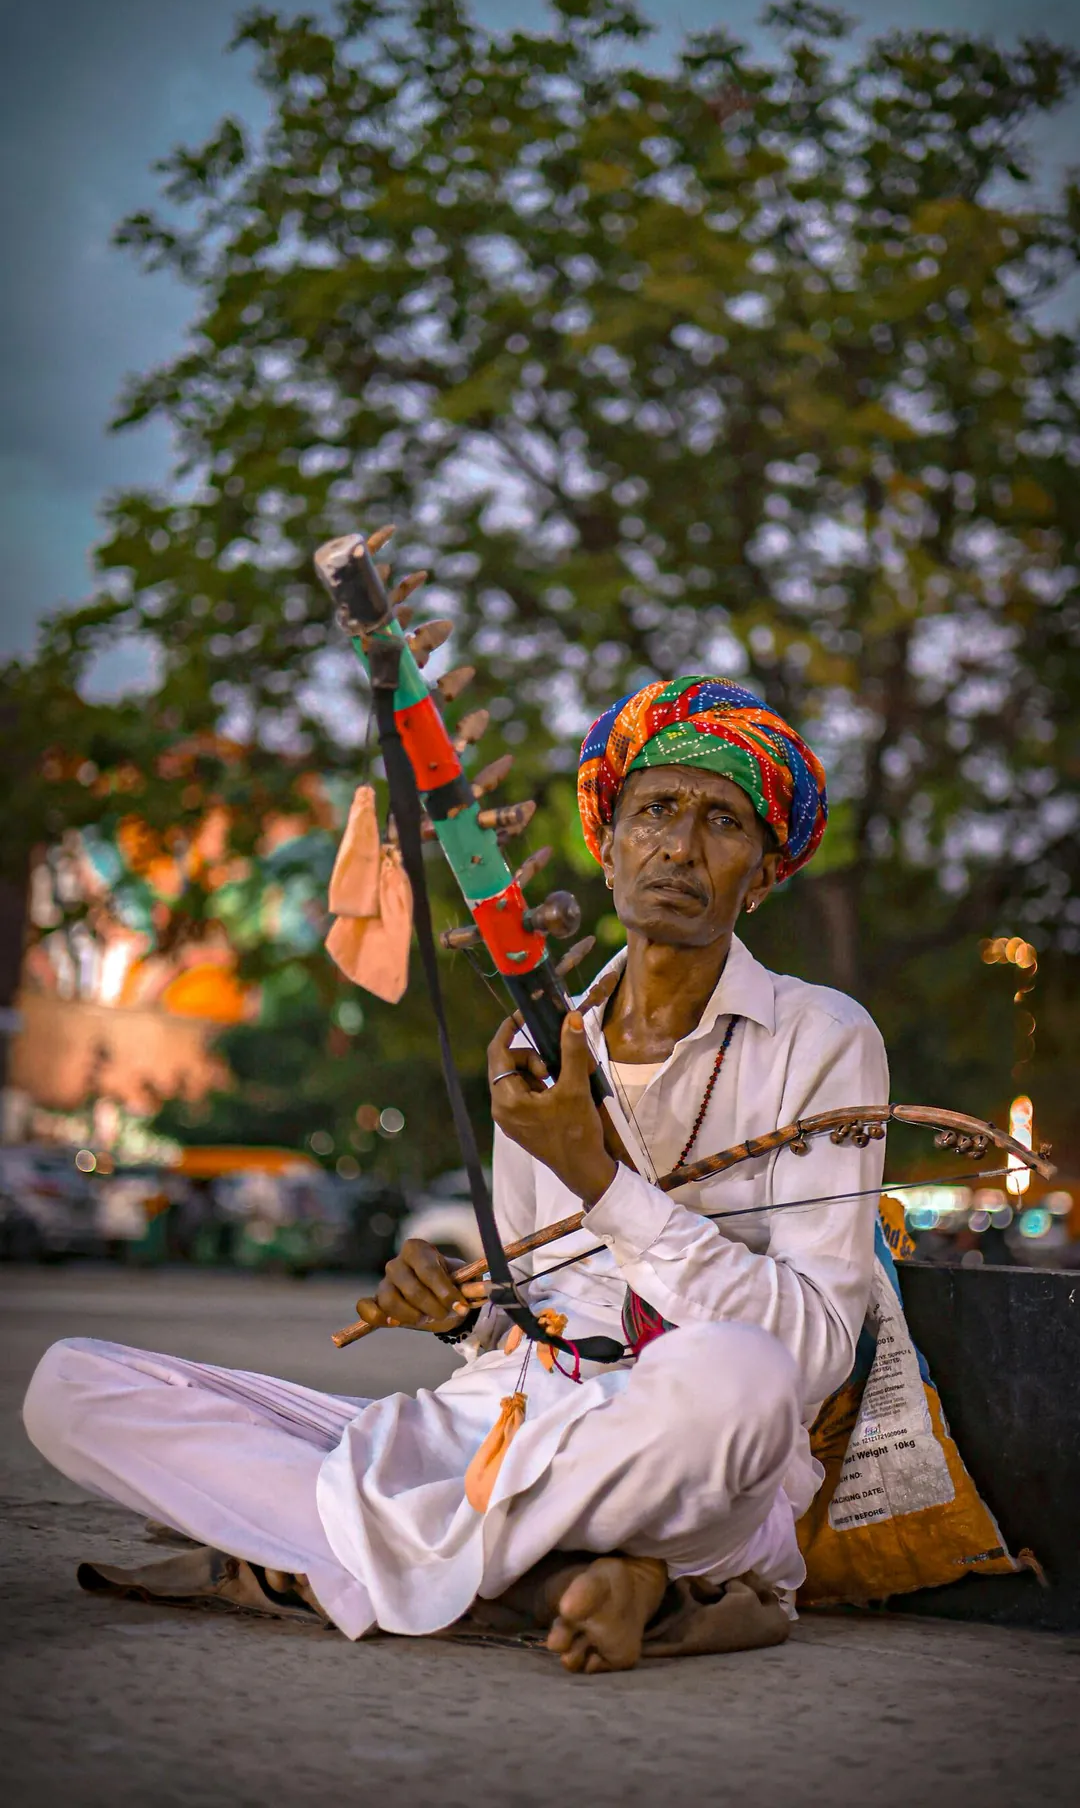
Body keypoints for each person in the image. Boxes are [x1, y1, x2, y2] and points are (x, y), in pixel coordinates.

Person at [23, 677, 888, 1674]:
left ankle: (357, 1555)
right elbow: (545, 1310)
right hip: (503, 1432)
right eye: (654, 809)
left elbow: (816, 1351)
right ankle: (567, 1579)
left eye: (723, 822)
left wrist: (601, 1183)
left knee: (743, 1377)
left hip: (689, 1459)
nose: (680, 847)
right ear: (606, 846)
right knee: (72, 1386)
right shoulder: (537, 1039)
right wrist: (464, 1317)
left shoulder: (822, 1038)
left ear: (765, 874)